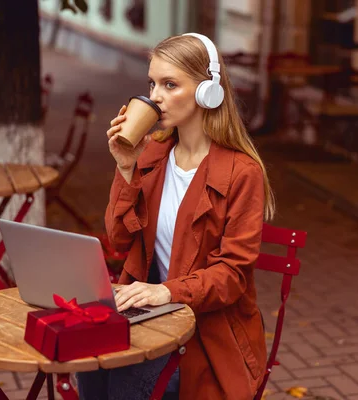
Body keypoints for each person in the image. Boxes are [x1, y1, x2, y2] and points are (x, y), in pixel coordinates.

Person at [77, 33, 276, 400]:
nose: (155, 96)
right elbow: (120, 241)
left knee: (126, 381)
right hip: (148, 318)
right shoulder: (151, 153)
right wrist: (125, 169)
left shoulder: (241, 172)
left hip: (207, 333)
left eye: (170, 85)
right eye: (152, 83)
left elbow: (232, 275)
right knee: (87, 359)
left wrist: (165, 291)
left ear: (207, 92)